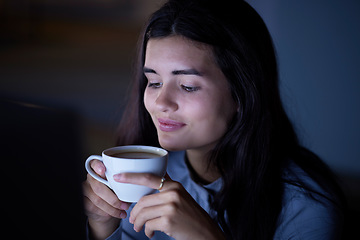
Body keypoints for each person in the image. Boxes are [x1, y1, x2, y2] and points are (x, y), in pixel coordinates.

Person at [82, 0, 345, 239]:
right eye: (154, 82)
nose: (161, 102)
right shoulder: (145, 175)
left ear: (242, 93)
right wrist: (102, 227)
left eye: (187, 86)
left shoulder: (304, 208)